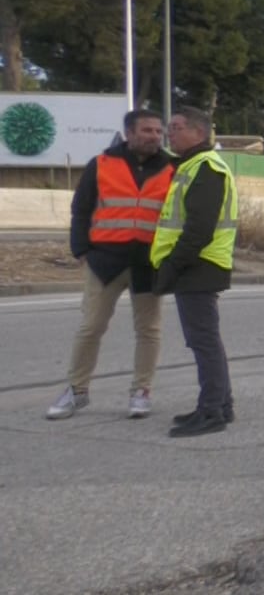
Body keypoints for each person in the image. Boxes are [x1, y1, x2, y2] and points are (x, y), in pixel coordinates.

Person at [46, 109, 175, 421]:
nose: (154, 137)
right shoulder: (102, 164)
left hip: (148, 263)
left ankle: (141, 391)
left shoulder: (173, 167)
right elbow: (81, 208)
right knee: (91, 327)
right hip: (105, 262)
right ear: (129, 133)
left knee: (149, 330)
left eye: (158, 131)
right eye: (147, 130)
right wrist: (80, 249)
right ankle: (76, 391)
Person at [150, 107, 237, 439]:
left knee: (203, 342)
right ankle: (220, 405)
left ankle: (212, 411)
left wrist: (172, 266)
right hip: (199, 264)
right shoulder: (191, 166)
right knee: (205, 341)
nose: (169, 133)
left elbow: (199, 228)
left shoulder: (206, 167)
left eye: (176, 127)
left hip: (199, 264)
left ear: (199, 133)